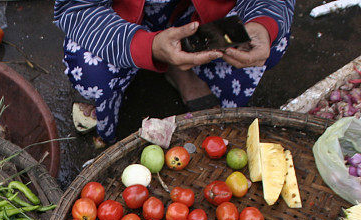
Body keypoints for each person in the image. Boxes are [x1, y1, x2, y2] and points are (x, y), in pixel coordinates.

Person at [54, 0, 295, 142]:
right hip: (121, 18)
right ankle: (153, 61)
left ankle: (180, 68)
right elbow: (76, 7)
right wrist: (146, 47)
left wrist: (264, 22)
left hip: (198, 15)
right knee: (92, 74)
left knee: (267, 40)